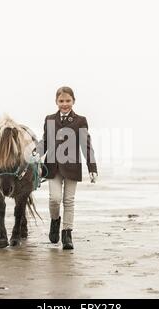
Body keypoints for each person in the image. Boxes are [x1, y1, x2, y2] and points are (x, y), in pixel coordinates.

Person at [35, 86, 98, 250]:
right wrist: (35, 154)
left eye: (68, 101)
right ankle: (55, 221)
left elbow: (86, 145)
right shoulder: (49, 119)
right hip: (53, 167)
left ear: (73, 101)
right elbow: (46, 142)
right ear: (56, 102)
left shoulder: (80, 120)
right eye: (61, 101)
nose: (65, 104)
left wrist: (92, 167)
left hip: (72, 167)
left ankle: (67, 233)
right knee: (54, 199)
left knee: (69, 201)